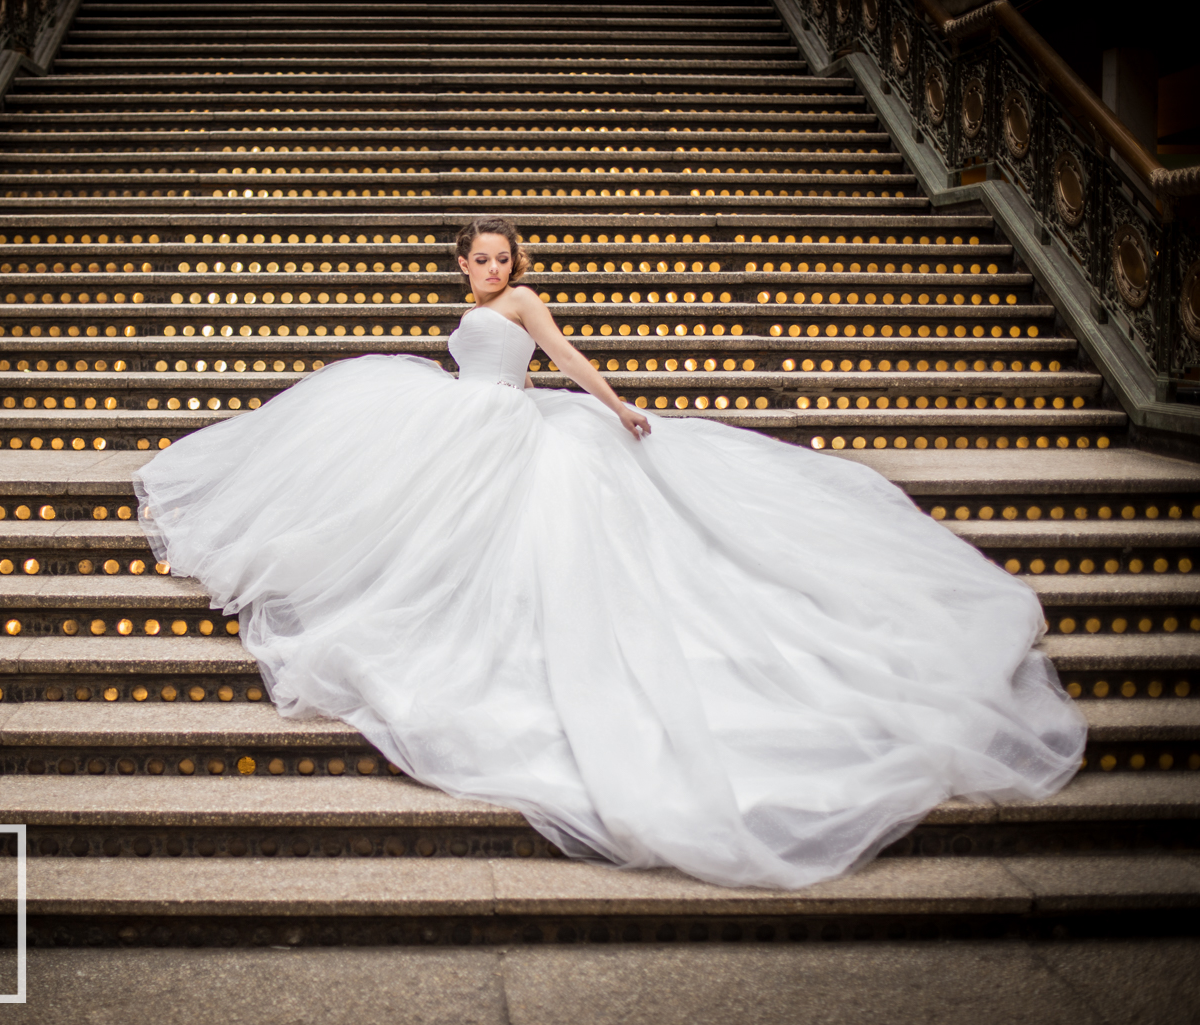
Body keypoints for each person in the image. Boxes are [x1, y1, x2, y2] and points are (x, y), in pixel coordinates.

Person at [133, 216, 1086, 889]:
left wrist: (618, 404)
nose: (493, 270)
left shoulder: (530, 303)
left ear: (517, 264)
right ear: (464, 263)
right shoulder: (470, 311)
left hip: (512, 432)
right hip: (458, 423)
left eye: (503, 259)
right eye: (482, 259)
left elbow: (568, 359)